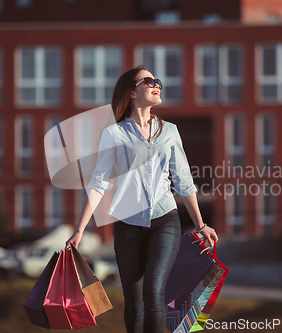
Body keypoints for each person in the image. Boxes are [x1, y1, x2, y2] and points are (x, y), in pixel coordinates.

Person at [65, 65, 218, 333]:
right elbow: (99, 182)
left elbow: (183, 180)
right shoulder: (114, 134)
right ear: (132, 92)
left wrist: (201, 224)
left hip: (165, 220)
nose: (156, 84)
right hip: (127, 225)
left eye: (157, 80)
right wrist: (79, 229)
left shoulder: (169, 131)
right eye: (148, 81)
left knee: (154, 290)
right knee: (134, 304)